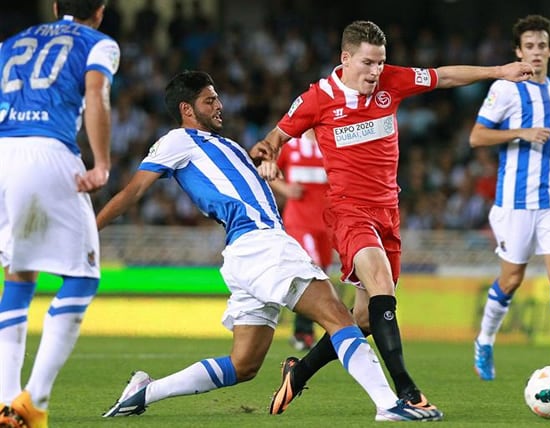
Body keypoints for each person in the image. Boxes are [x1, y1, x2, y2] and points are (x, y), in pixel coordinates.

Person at [98, 70, 443, 422]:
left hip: (247, 253)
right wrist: (92, 229)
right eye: (209, 100)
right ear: (187, 109)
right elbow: (134, 191)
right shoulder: (177, 141)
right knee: (340, 318)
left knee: (243, 364)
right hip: (260, 245)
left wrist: (268, 166)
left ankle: (146, 391)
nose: (219, 105)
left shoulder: (228, 145)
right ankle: (389, 403)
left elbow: (246, 182)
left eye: (217, 97)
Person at [257, 20, 534, 416]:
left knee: (364, 321)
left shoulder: (392, 81)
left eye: (380, 63)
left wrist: (498, 72)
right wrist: (268, 159)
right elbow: (273, 139)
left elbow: (443, 77)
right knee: (382, 282)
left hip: (388, 211)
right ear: (346, 58)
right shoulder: (318, 98)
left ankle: (297, 374)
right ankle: (407, 392)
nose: (375, 72)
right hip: (349, 211)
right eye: (368, 63)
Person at [0, 1, 120, 427]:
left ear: (55, 6)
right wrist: (101, 163)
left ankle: (5, 400)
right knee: (83, 275)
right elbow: (95, 92)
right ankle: (34, 404)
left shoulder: (13, 42)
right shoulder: (98, 43)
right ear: (100, 11)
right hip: (45, 151)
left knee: (19, 273)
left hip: (4, 151)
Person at [469, 14, 550, 381]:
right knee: (511, 279)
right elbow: (477, 136)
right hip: (515, 201)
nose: (536, 52)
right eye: (529, 47)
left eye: (542, 46)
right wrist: (521, 133)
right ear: (518, 51)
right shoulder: (505, 89)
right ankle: (485, 340)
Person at [269, 129, 332, 351]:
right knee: (311, 268)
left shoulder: (331, 143)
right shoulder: (291, 146)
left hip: (328, 222)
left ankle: (302, 330)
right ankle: (304, 332)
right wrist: (285, 189)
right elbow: (266, 168)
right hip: (300, 221)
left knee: (320, 271)